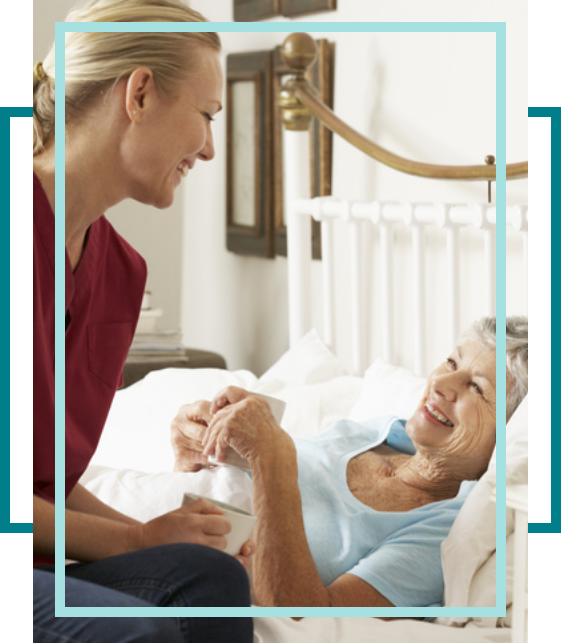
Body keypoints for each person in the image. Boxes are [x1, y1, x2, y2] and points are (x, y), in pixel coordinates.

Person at [33, 1, 253, 641]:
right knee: (138, 631)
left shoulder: (122, 273)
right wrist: (132, 537)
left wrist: (171, 538)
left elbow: (46, 479)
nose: (210, 149)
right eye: (207, 116)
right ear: (140, 92)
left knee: (209, 581)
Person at [171, 316, 528, 608]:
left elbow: (308, 622)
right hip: (157, 546)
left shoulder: (448, 528)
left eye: (477, 388)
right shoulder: (377, 430)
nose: (441, 383)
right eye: (451, 362)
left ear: (511, 433)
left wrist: (271, 456)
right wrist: (200, 445)